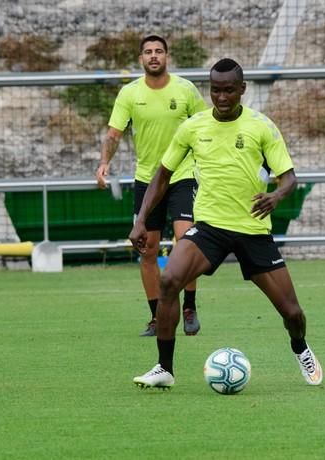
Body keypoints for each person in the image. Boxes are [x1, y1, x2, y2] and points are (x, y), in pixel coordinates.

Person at [130, 58, 323, 389]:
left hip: (253, 230)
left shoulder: (262, 126)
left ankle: (300, 347)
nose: (221, 97)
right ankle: (164, 368)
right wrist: (141, 220)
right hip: (210, 228)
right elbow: (162, 174)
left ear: (242, 90)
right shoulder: (193, 127)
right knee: (168, 281)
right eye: (215, 90)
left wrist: (275, 198)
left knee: (292, 313)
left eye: (229, 90)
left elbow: (288, 178)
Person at [96, 35, 208, 336]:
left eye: (159, 51)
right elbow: (113, 134)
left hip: (183, 176)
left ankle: (189, 306)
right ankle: (158, 316)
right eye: (148, 52)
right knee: (147, 251)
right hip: (147, 180)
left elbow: (204, 128)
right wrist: (104, 162)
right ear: (141, 58)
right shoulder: (130, 94)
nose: (154, 56)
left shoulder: (186, 89)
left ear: (167, 57)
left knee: (188, 242)